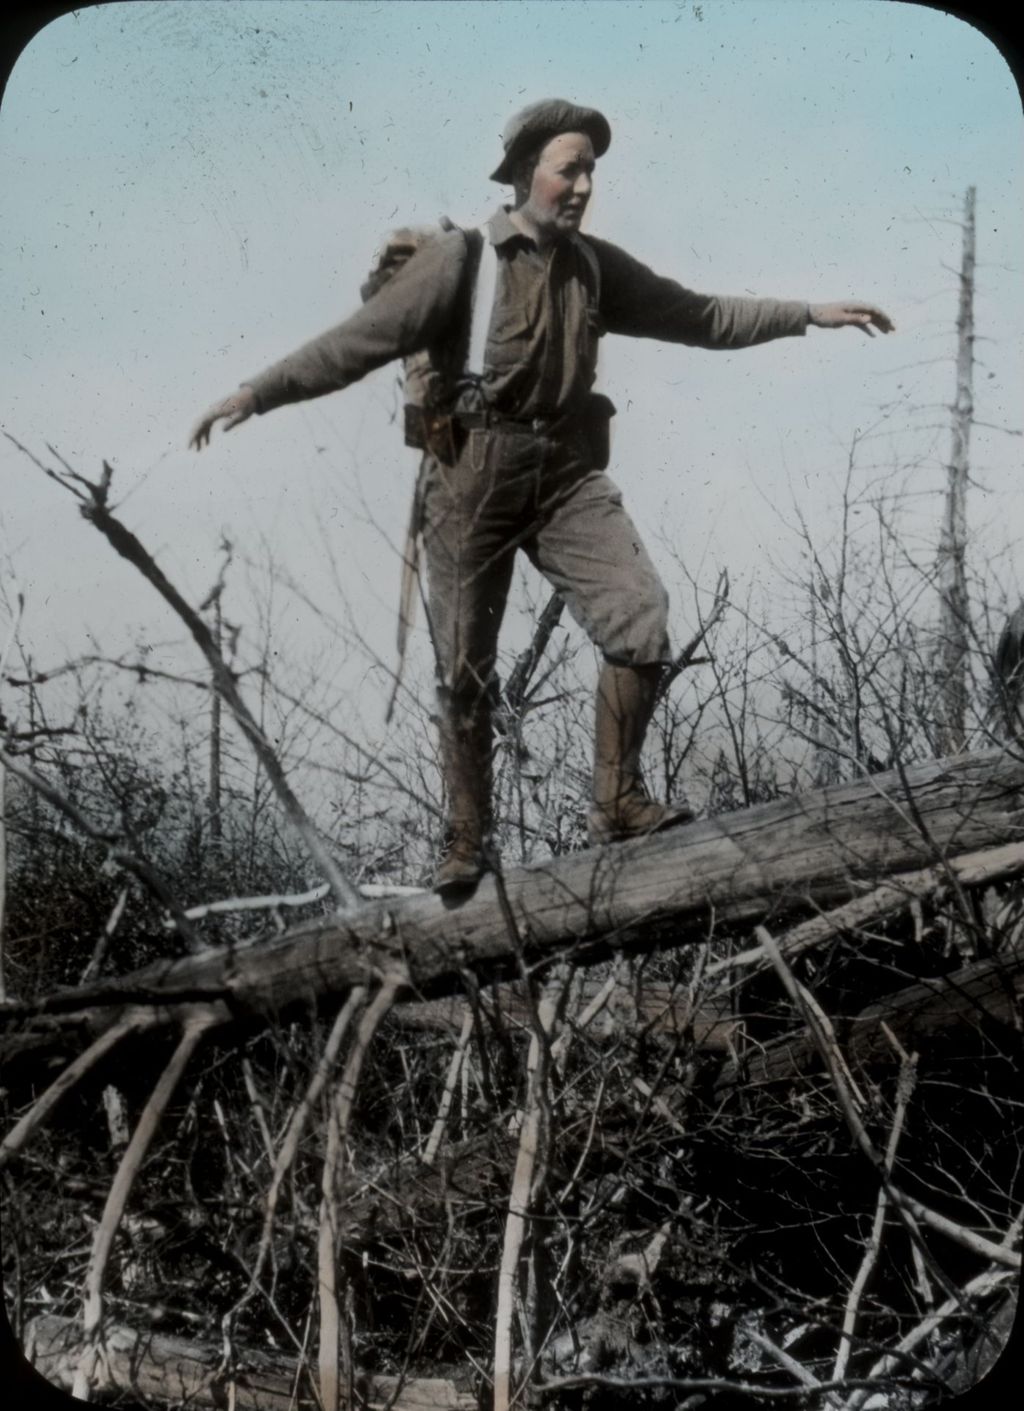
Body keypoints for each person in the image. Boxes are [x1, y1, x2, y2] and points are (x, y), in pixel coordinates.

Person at [190, 97, 894, 896]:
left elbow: (699, 314)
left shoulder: (594, 266)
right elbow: (359, 342)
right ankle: (467, 842)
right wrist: (256, 392)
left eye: (592, 170)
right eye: (570, 168)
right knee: (464, 669)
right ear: (527, 173)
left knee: (640, 618)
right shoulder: (464, 260)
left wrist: (809, 314)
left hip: (564, 473)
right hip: (469, 477)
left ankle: (619, 802)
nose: (585, 185)